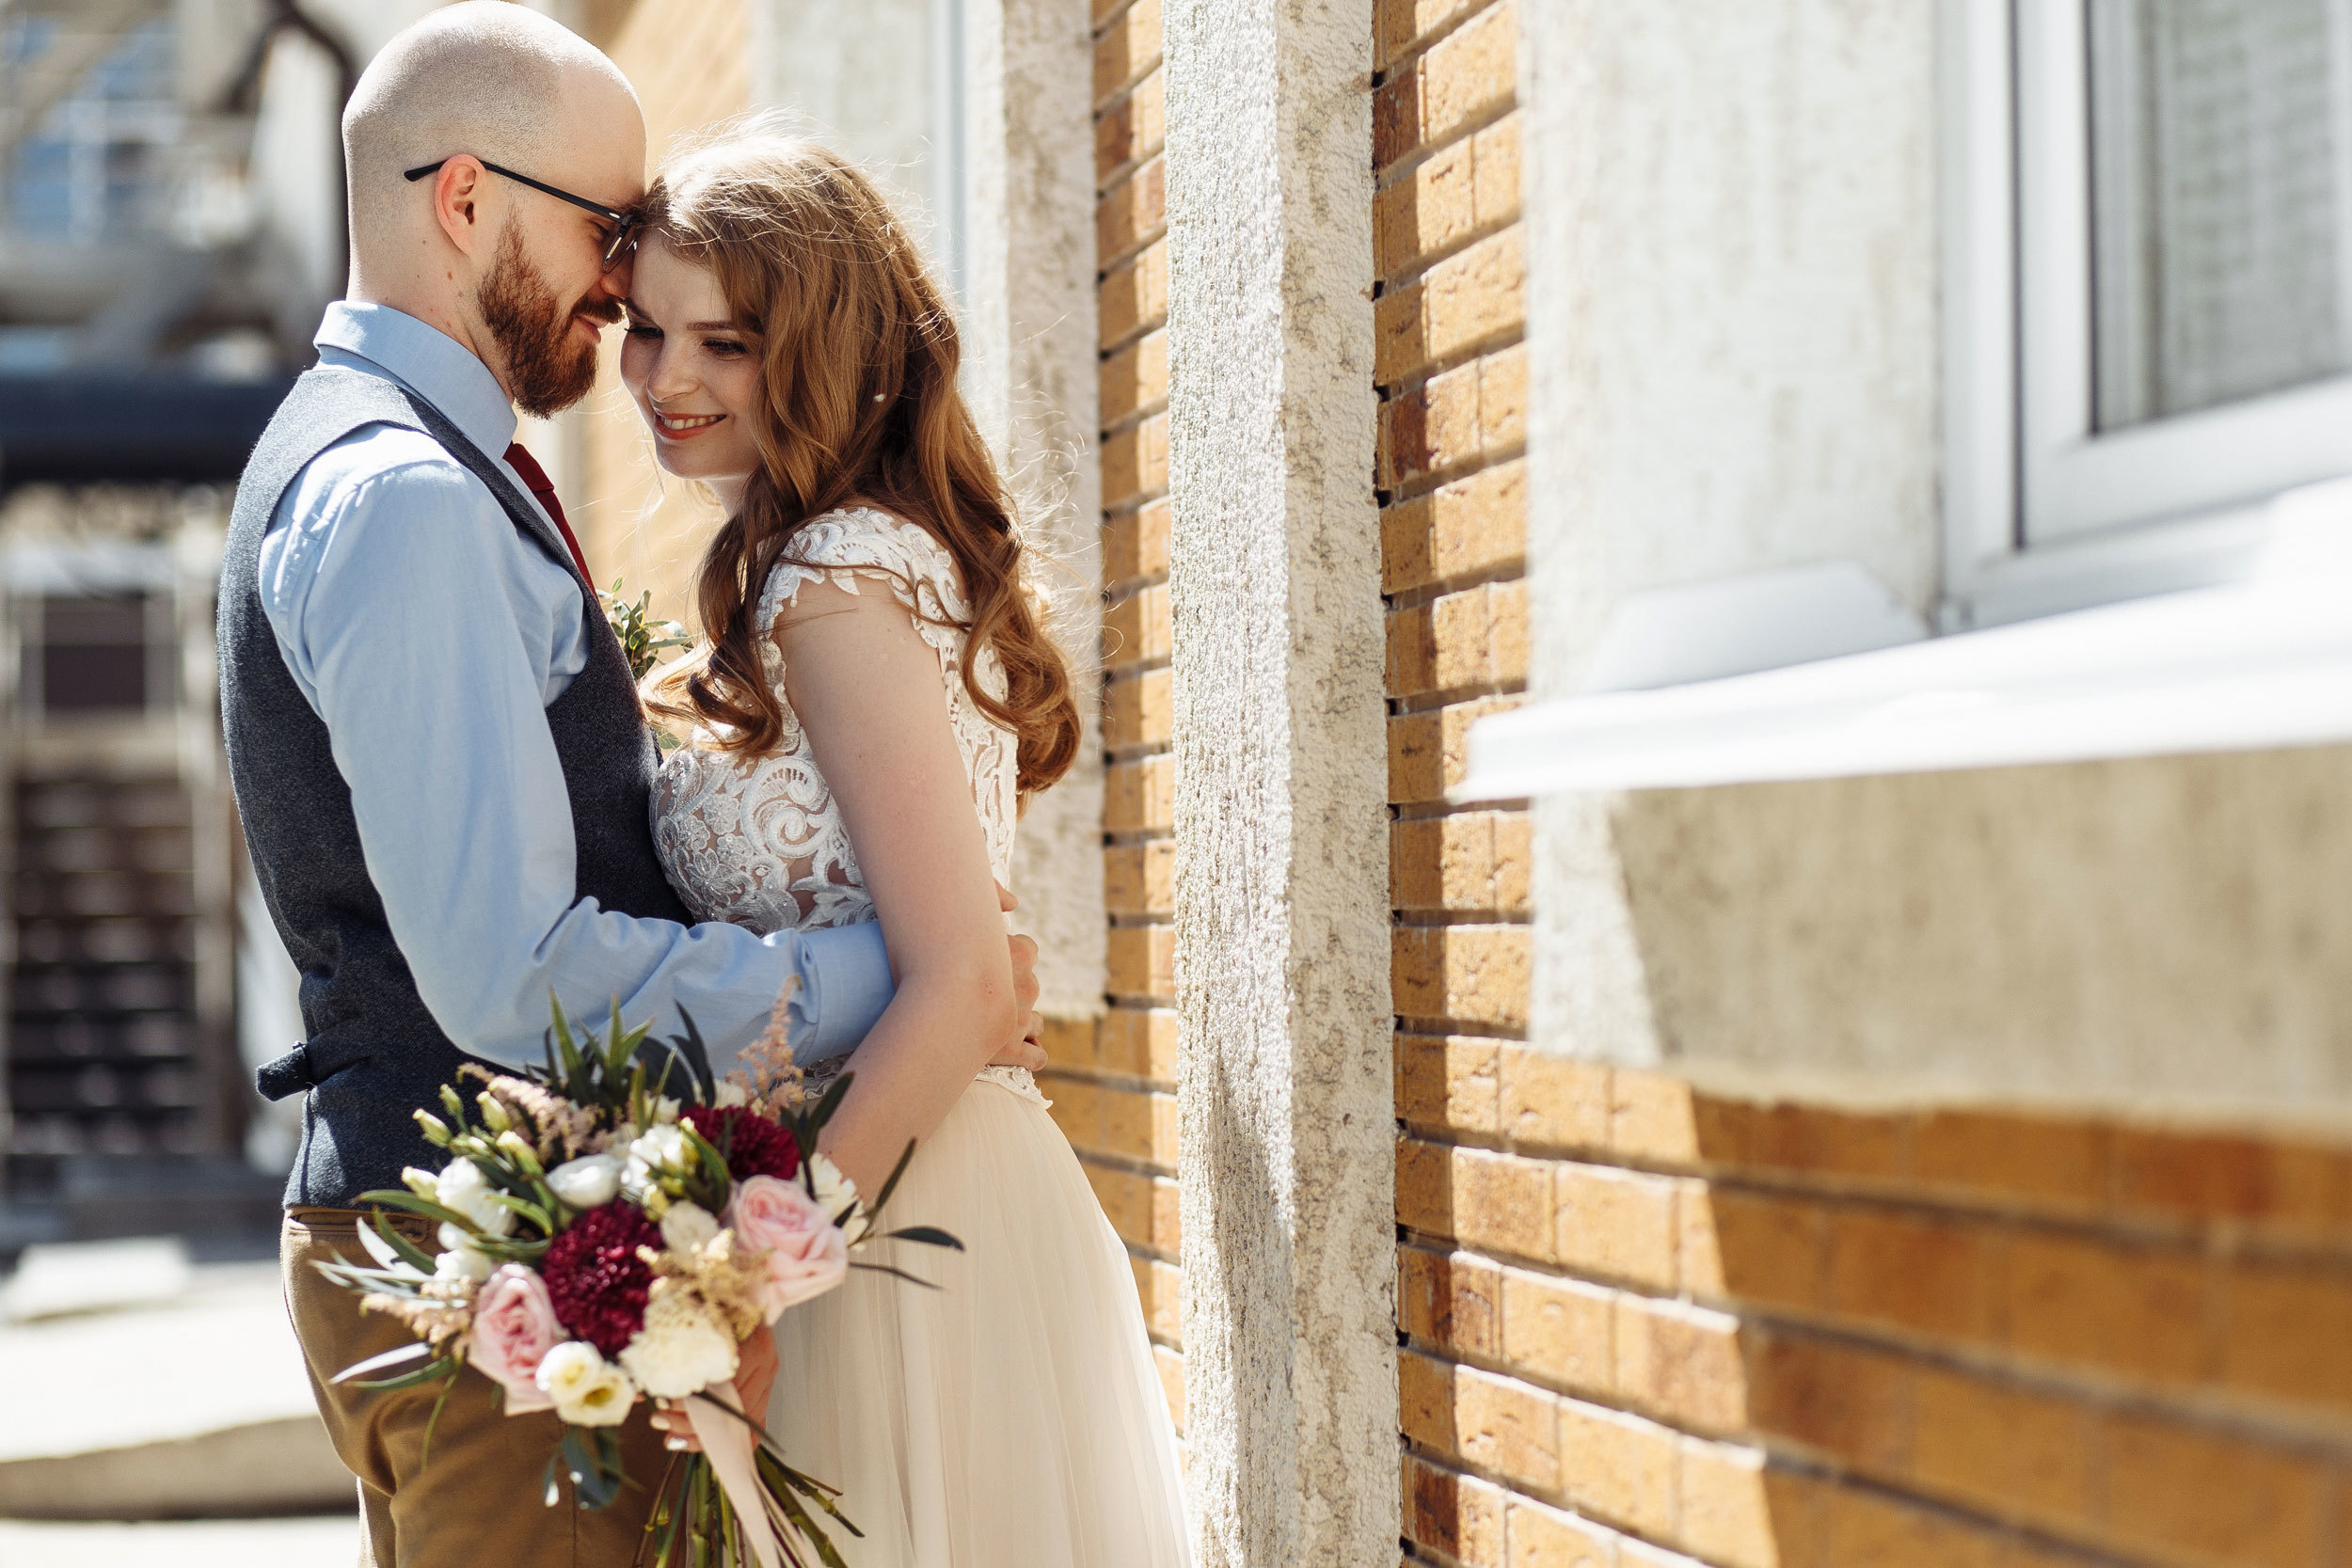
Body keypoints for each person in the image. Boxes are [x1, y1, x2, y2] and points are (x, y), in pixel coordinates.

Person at [215, 11, 1045, 1568]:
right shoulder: (406, 497)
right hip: (489, 1266)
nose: (621, 280)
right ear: (465, 199)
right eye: (603, 227)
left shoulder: (388, 462)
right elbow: (512, 972)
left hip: (493, 1251)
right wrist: (901, 975)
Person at [622, 129, 1191, 1568]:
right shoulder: (830, 565)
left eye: (725, 342)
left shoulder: (834, 582)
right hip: (870, 1183)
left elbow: (963, 983)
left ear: (818, 348)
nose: (664, 380)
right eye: (644, 329)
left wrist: (745, 1279)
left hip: (892, 1205)